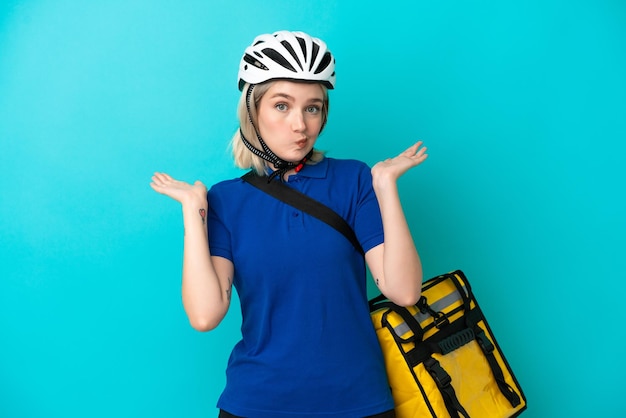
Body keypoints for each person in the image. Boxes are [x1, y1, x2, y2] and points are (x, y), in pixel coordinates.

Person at [150, 30, 428, 418]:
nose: (300, 125)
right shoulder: (226, 200)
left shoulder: (354, 180)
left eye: (312, 108)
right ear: (253, 112)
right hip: (257, 403)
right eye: (282, 106)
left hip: (357, 402)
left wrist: (385, 187)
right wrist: (194, 214)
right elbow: (205, 314)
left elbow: (404, 291)